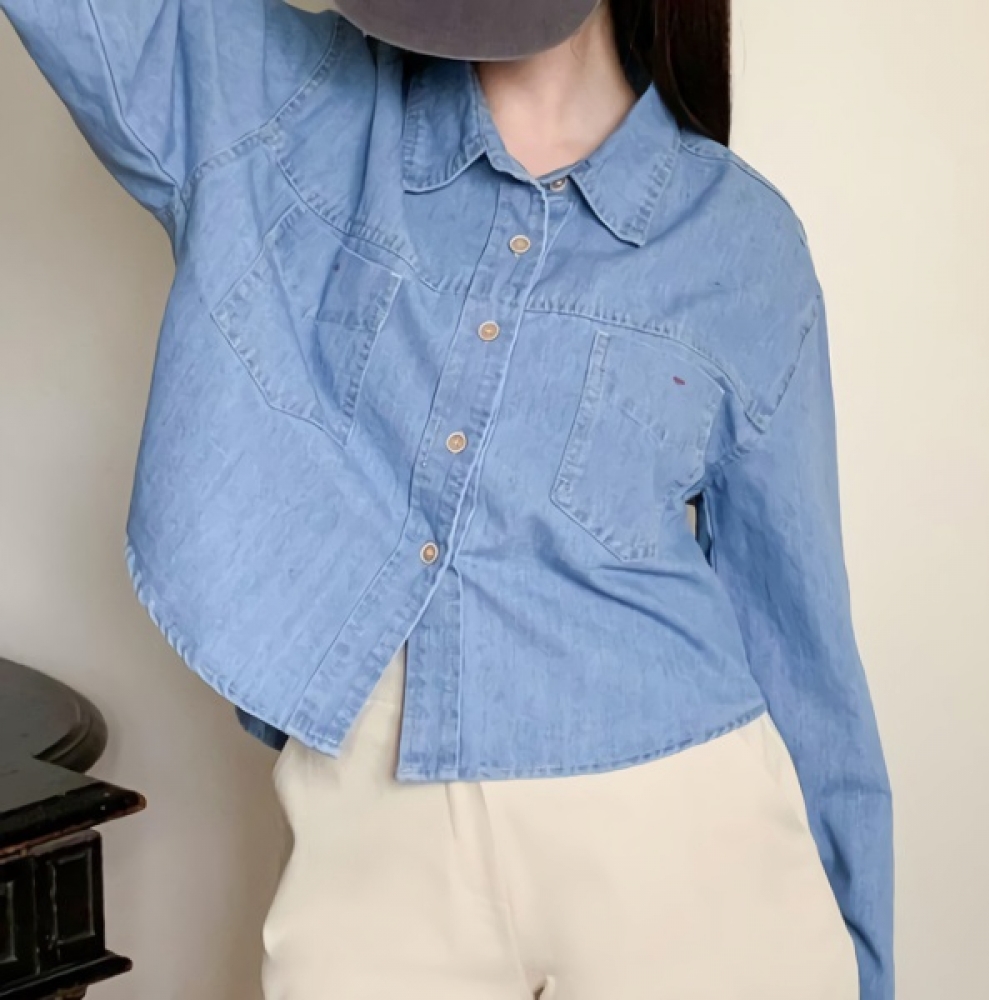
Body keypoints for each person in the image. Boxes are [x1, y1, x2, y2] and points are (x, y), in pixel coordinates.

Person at [0, 1, 894, 998]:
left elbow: (801, 641)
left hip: (684, 826)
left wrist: (867, 954)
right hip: (378, 834)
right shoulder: (299, 104)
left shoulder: (740, 239)